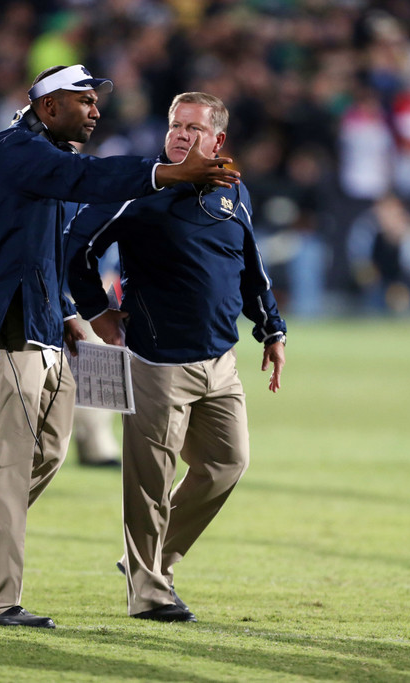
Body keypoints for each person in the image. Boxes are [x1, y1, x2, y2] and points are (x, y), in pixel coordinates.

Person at [0, 66, 239, 629]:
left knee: (47, 452)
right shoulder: (17, 151)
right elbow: (90, 178)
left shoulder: (45, 154)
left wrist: (67, 310)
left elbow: (41, 249)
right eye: (84, 101)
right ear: (48, 107)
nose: (95, 111)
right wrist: (166, 173)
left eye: (96, 101)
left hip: (43, 323)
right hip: (6, 326)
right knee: (10, 461)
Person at [66, 92, 286, 623]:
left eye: (193, 128)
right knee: (149, 484)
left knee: (226, 464)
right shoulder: (140, 187)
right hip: (157, 362)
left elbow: (251, 266)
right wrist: (98, 311)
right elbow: (76, 247)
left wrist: (272, 328)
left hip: (222, 361)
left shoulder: (233, 191)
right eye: (174, 125)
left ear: (218, 140)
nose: (181, 135)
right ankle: (148, 590)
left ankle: (150, 561)